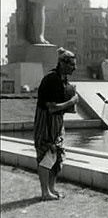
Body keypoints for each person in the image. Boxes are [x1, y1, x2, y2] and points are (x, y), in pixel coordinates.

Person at [34, 47, 78, 201]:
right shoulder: (52, 79)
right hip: (47, 121)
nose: (75, 68)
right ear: (63, 64)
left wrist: (69, 102)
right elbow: (51, 107)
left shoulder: (62, 80)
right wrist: (71, 102)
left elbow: (60, 106)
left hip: (57, 122)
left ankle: (51, 188)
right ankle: (45, 192)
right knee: (48, 153)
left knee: (57, 155)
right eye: (72, 64)